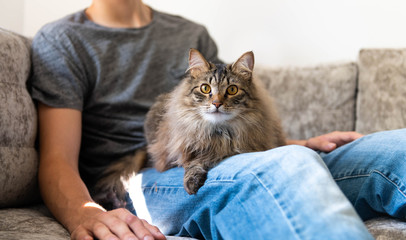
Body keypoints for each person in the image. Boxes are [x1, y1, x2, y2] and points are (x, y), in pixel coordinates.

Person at [30, 0, 406, 239]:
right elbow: (57, 159)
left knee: (393, 148)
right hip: (148, 176)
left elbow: (233, 112)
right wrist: (83, 215)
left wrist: (296, 144)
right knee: (284, 167)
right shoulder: (62, 40)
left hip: (232, 158)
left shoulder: (190, 33)